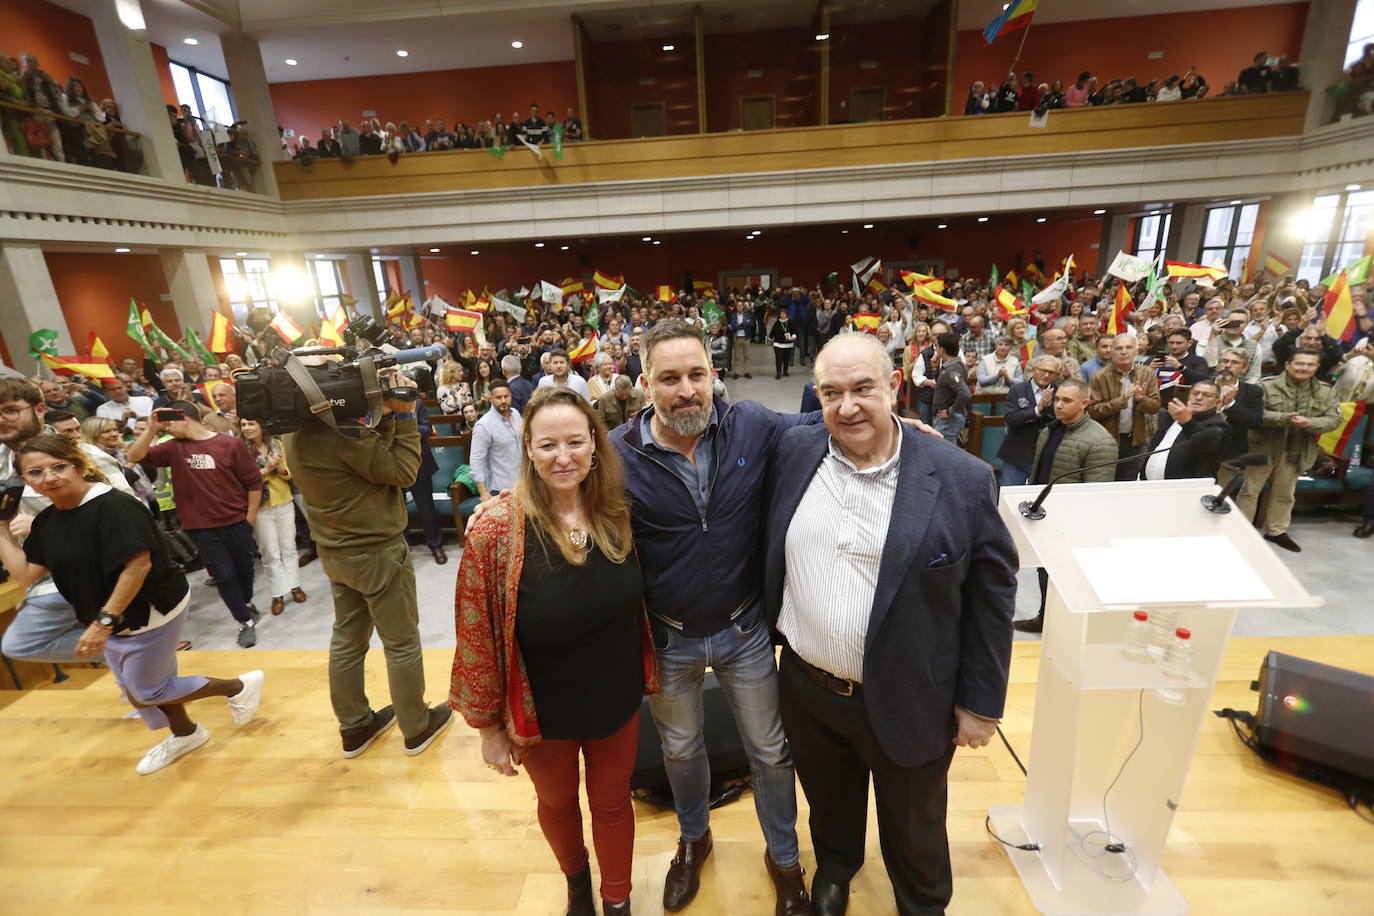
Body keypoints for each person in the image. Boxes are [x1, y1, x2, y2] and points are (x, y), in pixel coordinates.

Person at [767, 333, 1016, 915]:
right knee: (828, 799)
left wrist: (981, 701)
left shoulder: (961, 477)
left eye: (863, 389)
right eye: (831, 393)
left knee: (915, 823)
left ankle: (923, 903)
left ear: (895, 388)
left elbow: (992, 594)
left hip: (913, 695)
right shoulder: (794, 451)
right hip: (808, 686)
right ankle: (836, 868)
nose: (847, 407)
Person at [610, 319, 817, 914]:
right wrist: (503, 506)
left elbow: (819, 425)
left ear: (714, 375)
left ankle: (783, 859)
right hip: (669, 637)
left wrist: (902, 425)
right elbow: (560, 491)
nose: (686, 390)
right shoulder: (617, 454)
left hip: (745, 630)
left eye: (696, 374)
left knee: (771, 752)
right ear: (644, 382)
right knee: (680, 751)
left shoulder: (751, 423)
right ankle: (693, 841)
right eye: (669, 378)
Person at [452, 387, 658, 916]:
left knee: (612, 803)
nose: (562, 457)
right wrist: (488, 728)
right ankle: (576, 882)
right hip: (542, 707)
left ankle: (617, 900)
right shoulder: (495, 528)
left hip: (615, 697)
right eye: (547, 445)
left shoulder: (619, 510)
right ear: (527, 449)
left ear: (594, 444)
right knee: (558, 801)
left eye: (574, 442)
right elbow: (474, 632)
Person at [0, 434, 264, 774]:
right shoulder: (50, 520)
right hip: (112, 615)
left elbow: (137, 566)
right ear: (25, 481)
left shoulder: (114, 506)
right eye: (36, 472)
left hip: (149, 610)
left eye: (58, 466)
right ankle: (185, 734)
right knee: (138, 687)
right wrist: (2, 527)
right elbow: (24, 574)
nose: (49, 477)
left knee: (149, 691)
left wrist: (102, 624)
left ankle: (238, 686)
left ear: (78, 465)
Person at [284, 366, 452, 756]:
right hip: (376, 551)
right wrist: (406, 415)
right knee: (402, 642)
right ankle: (416, 726)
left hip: (335, 549)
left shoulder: (295, 433)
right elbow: (403, 470)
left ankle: (355, 725)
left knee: (347, 638)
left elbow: (374, 462)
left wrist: (387, 418)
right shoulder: (343, 436)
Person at [0, 379, 137, 665]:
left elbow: (133, 520)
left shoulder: (84, 456)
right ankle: (133, 650)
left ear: (39, 409)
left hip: (92, 574)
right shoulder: (2, 461)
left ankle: (135, 644)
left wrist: (43, 525)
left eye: (10, 410)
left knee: (22, 644)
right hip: (38, 573)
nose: (1, 420)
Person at [126, 401, 265, 646]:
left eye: (170, 423)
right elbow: (134, 456)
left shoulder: (230, 444)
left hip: (236, 521)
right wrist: (150, 430)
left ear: (185, 418)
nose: (167, 429)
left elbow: (253, 482)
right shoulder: (172, 447)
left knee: (245, 569)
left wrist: (249, 519)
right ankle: (244, 620)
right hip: (201, 526)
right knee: (223, 575)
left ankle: (245, 602)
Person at [1014, 378, 1118, 633]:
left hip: (1071, 523)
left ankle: (1065, 625)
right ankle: (1045, 616)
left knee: (1068, 576)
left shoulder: (1100, 441)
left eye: (1066, 401)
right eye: (1057, 399)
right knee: (1044, 570)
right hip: (1046, 515)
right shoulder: (1051, 428)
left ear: (1084, 403)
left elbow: (1095, 495)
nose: (1058, 405)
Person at [1235, 351, 1342, 552]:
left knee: (1285, 492)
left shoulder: (1326, 392)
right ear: (1287, 364)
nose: (1304, 368)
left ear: (1316, 367)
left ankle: (1276, 531)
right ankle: (1242, 530)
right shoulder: (1266, 386)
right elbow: (1253, 415)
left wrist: (1310, 422)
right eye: (1299, 364)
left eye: (1310, 365)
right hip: (1263, 446)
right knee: (1250, 490)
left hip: (1298, 449)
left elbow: (1334, 419)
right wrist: (1283, 418)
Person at [239, 417, 307, 615]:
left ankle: (295, 585)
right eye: (243, 424)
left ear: (261, 426)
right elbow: (242, 480)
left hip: (284, 500)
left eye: (251, 423)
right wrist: (266, 470)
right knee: (269, 553)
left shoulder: (276, 444)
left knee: (289, 548)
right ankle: (278, 594)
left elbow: (288, 474)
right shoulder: (239, 449)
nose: (247, 428)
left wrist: (278, 468)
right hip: (258, 507)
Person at [1088, 334, 1161, 481]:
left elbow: (1155, 407)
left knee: (1127, 482)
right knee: (1103, 482)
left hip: (1136, 440)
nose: (1124, 352)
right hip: (1106, 440)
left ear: (1136, 351)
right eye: (1119, 348)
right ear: (1112, 352)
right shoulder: (1099, 377)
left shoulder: (1147, 373)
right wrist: (1120, 402)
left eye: (1128, 347)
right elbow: (1091, 411)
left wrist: (1141, 399)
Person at [1142, 379, 1232, 480]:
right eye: (1195, 393)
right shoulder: (1175, 415)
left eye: (1207, 395)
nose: (1198, 398)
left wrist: (1187, 422)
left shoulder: (1219, 424)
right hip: (1149, 485)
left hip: (1186, 489)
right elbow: (1155, 446)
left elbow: (1208, 443)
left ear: (1217, 402)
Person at [998, 355, 1061, 487]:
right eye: (1042, 370)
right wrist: (1037, 410)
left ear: (1056, 375)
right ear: (1034, 369)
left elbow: (1061, 420)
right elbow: (1010, 418)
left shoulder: (1060, 392)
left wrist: (1048, 407)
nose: (1046, 375)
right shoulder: (1018, 390)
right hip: (1018, 453)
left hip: (1046, 455)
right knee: (1010, 495)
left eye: (1051, 372)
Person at [470, 379, 523, 502]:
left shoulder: (515, 414)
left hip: (523, 486)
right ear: (491, 398)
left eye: (506, 396)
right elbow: (476, 460)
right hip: (501, 490)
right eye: (498, 397)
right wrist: (483, 493)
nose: (503, 400)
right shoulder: (483, 425)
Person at [932, 332, 970, 444]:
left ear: (942, 349)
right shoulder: (958, 365)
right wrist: (936, 368)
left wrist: (950, 411)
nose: (936, 349)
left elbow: (965, 393)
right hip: (948, 419)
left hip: (948, 421)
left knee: (944, 454)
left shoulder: (952, 370)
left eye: (937, 346)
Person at [729, 300, 755, 379]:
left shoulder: (748, 315)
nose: (739, 307)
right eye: (738, 305)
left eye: (741, 305)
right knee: (736, 356)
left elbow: (750, 324)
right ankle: (736, 372)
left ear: (743, 307)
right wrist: (743, 324)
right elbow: (733, 326)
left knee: (746, 356)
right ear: (736, 307)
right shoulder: (733, 316)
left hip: (746, 338)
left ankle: (747, 372)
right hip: (737, 338)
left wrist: (740, 324)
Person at [771, 309, 797, 379]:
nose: (782, 315)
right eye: (781, 314)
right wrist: (769, 339)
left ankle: (785, 371)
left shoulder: (791, 322)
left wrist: (793, 336)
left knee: (786, 358)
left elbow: (794, 331)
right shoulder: (777, 323)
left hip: (788, 344)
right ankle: (778, 372)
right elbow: (772, 333)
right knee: (778, 358)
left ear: (786, 315)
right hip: (778, 344)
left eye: (784, 314)